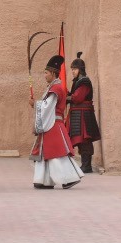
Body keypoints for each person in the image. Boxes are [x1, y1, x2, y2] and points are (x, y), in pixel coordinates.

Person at [31, 56, 83, 190]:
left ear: (53, 73)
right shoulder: (53, 87)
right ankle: (44, 180)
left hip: (54, 124)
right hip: (51, 123)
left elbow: (48, 107)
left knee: (56, 153)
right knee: (46, 152)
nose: (44, 76)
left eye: (46, 73)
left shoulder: (56, 89)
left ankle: (70, 178)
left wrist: (35, 104)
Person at [67, 52, 102, 173]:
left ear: (80, 69)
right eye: (72, 69)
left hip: (84, 114)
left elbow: (77, 98)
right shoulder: (78, 81)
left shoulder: (84, 82)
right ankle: (85, 165)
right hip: (78, 113)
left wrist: (67, 97)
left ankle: (87, 166)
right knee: (81, 140)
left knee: (85, 140)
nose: (73, 71)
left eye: (74, 69)